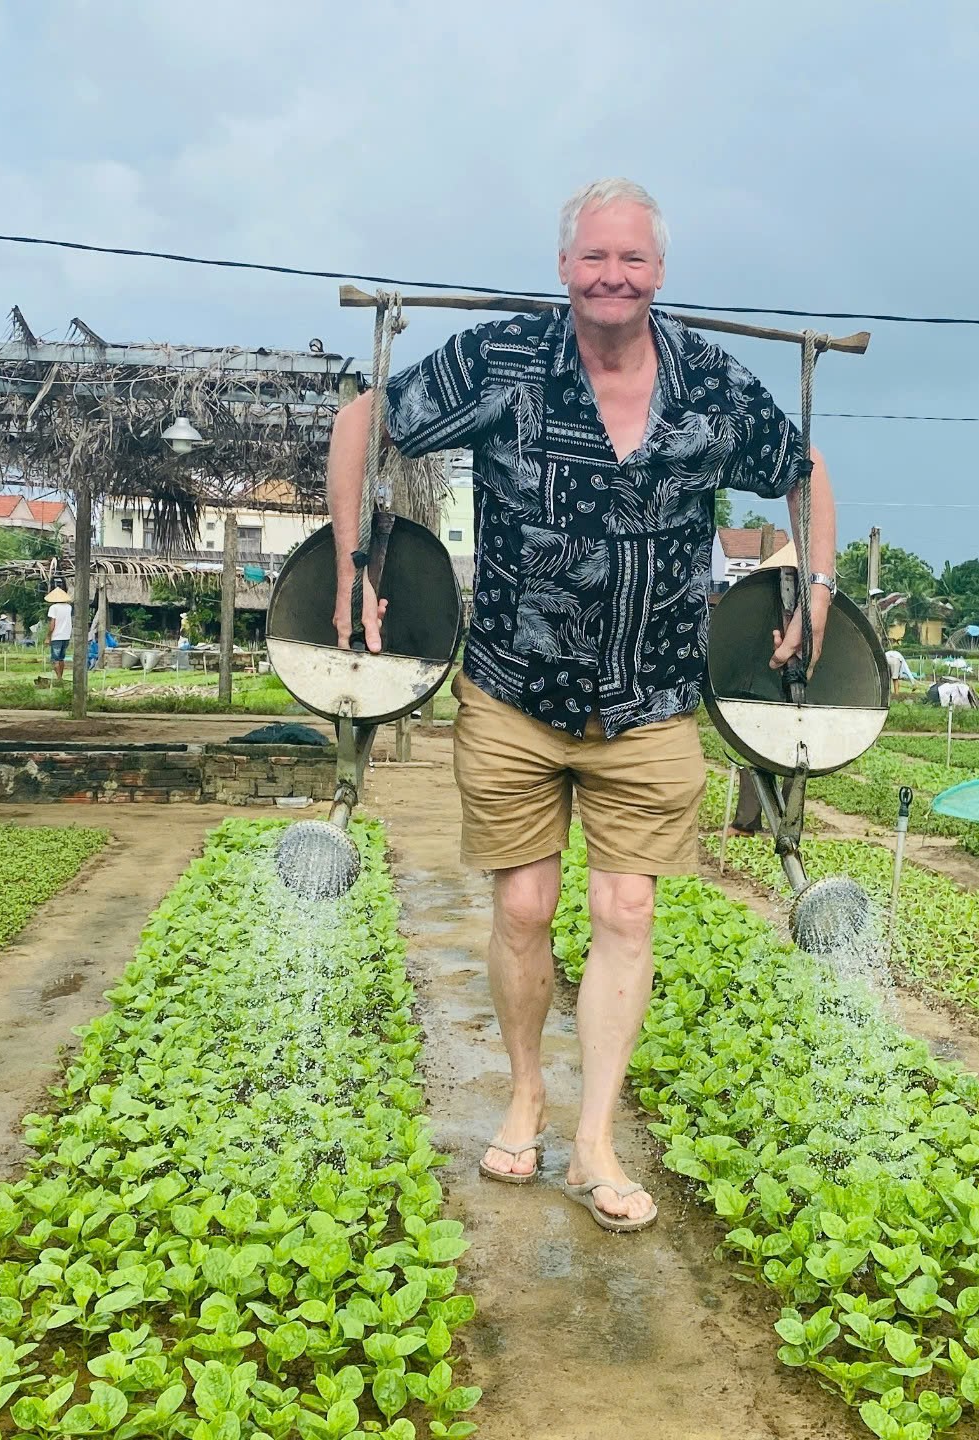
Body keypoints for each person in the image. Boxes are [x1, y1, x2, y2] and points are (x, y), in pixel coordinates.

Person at [328, 177, 837, 1232]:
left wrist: (814, 586)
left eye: (633, 260)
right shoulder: (503, 360)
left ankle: (594, 1137)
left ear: (659, 273)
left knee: (627, 909)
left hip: (651, 697)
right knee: (521, 906)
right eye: (595, 258)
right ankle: (523, 1094)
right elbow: (361, 421)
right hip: (514, 687)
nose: (614, 276)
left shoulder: (707, 381)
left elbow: (804, 468)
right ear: (565, 268)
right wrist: (350, 560)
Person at [45, 587, 74, 681]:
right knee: (62, 658)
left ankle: (59, 678)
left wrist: (48, 636)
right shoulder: (69, 607)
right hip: (66, 635)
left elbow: (52, 623)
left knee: (55, 659)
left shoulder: (53, 608)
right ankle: (60, 677)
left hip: (57, 636)